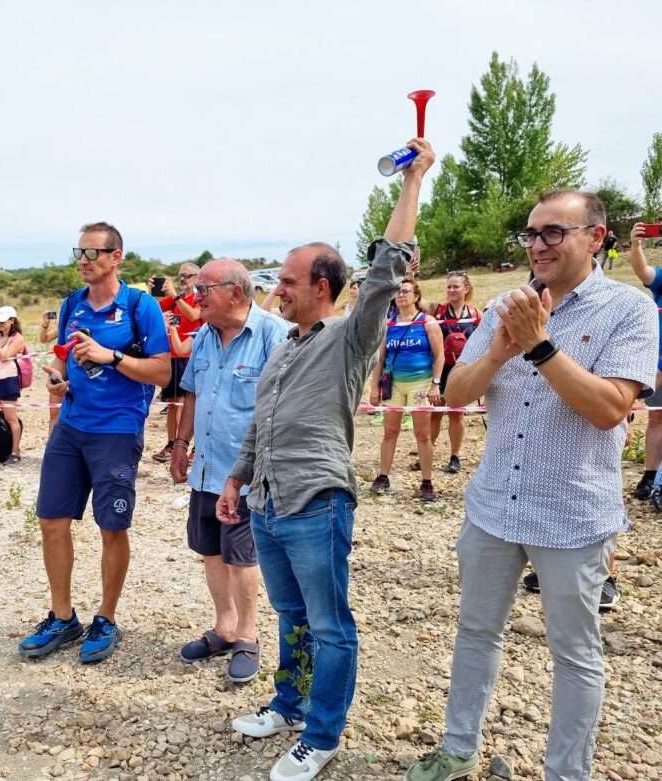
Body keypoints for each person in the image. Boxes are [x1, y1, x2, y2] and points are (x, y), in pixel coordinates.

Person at [404, 190, 657, 781]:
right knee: (475, 631)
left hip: (572, 514)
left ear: (595, 237)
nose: (537, 245)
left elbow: (609, 407)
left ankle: (566, 773)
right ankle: (458, 747)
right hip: (494, 506)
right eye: (530, 234)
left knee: (574, 653)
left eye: (552, 233)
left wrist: (541, 347)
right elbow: (459, 395)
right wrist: (496, 354)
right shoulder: (507, 307)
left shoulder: (629, 310)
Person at [220, 139, 434, 781]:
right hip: (266, 503)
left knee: (331, 625)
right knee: (292, 617)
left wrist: (412, 182)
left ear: (321, 285)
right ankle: (289, 705)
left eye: (286, 281)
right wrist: (236, 478)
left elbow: (388, 265)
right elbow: (261, 422)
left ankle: (323, 734)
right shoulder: (284, 346)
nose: (275, 291)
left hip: (318, 502)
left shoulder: (349, 337)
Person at [20, 221, 170, 664]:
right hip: (71, 425)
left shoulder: (141, 307)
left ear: (115, 257)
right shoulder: (72, 305)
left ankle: (106, 617)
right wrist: (58, 380)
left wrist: (113, 357)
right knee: (51, 521)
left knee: (112, 527)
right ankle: (63, 618)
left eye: (93, 254)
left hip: (117, 431)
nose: (84, 261)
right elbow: (64, 360)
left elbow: (163, 372)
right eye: (79, 253)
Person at [169, 259, 287, 684]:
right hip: (205, 471)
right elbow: (191, 395)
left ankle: (247, 637)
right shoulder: (203, 335)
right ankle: (224, 626)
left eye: (203, 290)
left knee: (241, 556)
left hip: (244, 475)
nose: (193, 297)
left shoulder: (273, 335)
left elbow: (280, 408)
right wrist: (181, 445)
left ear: (235, 292)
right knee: (211, 551)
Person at [368, 279, 445, 501]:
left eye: (405, 291)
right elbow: (380, 359)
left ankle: (427, 481)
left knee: (422, 433)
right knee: (390, 431)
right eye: (397, 292)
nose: (400, 295)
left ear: (416, 296)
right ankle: (383, 476)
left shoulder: (427, 322)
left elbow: (439, 355)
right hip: (394, 384)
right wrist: (374, 388)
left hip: (420, 383)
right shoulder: (388, 325)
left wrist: (435, 384)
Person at [429, 271, 481, 474]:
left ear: (466, 289)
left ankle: (455, 456)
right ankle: (427, 453)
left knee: (455, 415)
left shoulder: (476, 314)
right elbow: (417, 300)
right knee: (435, 414)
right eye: (448, 286)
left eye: (455, 286)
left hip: (463, 370)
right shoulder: (438, 311)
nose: (451, 290)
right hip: (442, 368)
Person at [152, 264, 202, 463]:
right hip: (172, 355)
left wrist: (176, 296)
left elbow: (193, 315)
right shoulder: (175, 298)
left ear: (197, 277)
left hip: (188, 355)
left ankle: (185, 445)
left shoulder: (199, 297)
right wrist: (153, 293)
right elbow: (153, 311)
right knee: (172, 403)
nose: (183, 280)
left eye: (187, 276)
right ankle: (172, 444)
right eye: (180, 276)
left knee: (184, 404)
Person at [627, 222, 662, 499]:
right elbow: (643, 272)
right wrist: (636, 245)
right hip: (659, 364)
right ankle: (650, 476)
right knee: (657, 418)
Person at [0, 305, 26, 464]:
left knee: (10, 417)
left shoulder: (18, 338)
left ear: (11, 321)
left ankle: (15, 451)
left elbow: (5, 357)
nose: (0, 325)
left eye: (3, 322)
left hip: (8, 379)